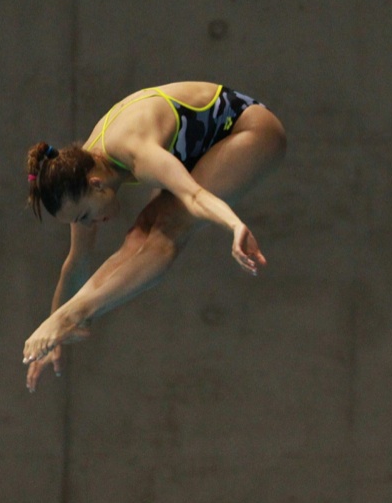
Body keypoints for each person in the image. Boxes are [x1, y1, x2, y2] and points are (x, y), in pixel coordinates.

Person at [22, 81, 286, 391]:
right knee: (138, 236)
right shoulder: (80, 173)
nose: (90, 223)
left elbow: (195, 197)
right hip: (202, 145)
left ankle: (78, 313)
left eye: (84, 216)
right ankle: (73, 316)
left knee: (167, 231)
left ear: (96, 184)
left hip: (250, 130)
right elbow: (76, 261)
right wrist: (52, 333)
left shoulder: (136, 152)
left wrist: (234, 225)